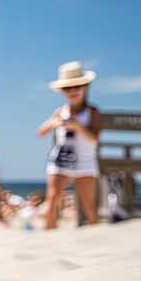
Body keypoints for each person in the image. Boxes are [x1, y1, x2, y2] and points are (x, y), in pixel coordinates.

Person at [37, 61, 100, 229]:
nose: (73, 91)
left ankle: (97, 239)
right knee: (52, 199)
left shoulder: (92, 111)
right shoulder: (60, 111)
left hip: (86, 160)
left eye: (77, 86)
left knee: (89, 205)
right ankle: (47, 235)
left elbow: (95, 138)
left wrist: (77, 126)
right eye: (67, 88)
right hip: (61, 160)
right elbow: (40, 132)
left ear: (85, 86)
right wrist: (54, 122)